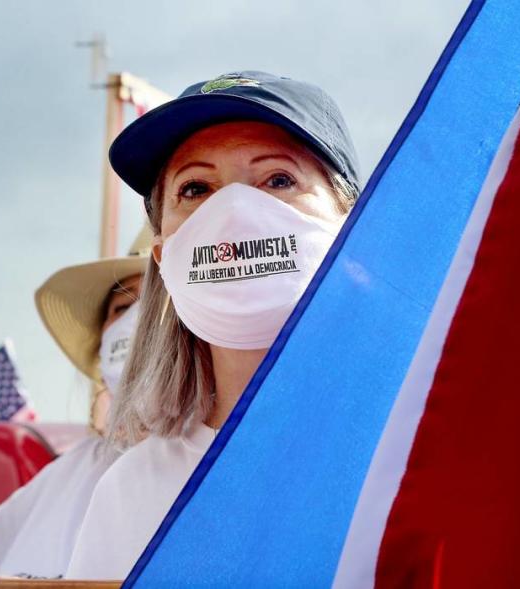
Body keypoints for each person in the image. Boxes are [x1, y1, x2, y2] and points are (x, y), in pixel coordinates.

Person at [65, 71, 361, 580]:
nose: (234, 211)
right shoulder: (132, 491)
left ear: (350, 221)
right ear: (163, 255)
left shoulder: (418, 445)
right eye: (196, 188)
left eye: (278, 179)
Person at [0, 228, 151, 578]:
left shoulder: (225, 465)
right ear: (101, 347)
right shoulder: (71, 470)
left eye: (157, 301)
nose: (137, 318)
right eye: (122, 306)